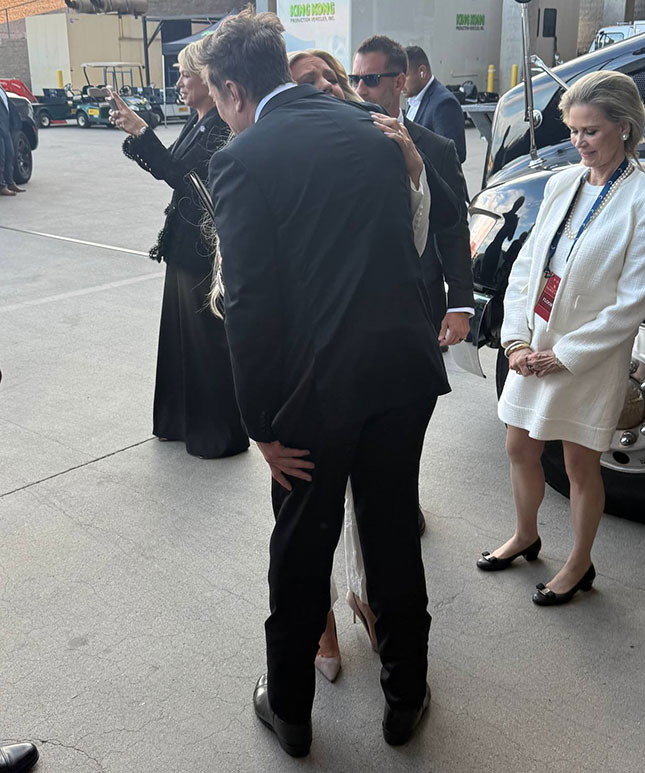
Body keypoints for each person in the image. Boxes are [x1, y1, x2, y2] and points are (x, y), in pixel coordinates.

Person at [201, 8, 450, 755]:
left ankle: (292, 711)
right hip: (401, 377)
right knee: (393, 535)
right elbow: (406, 244)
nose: (218, 113)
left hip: (314, 396)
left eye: (215, 99)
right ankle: (405, 696)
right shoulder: (371, 127)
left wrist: (261, 426)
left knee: (302, 552)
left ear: (234, 90)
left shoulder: (244, 158)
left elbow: (250, 305)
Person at [478, 71, 645, 605]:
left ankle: (579, 563)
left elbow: (630, 305)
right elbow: (526, 269)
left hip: (586, 357)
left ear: (625, 128)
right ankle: (525, 535)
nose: (578, 142)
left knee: (578, 463)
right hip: (535, 343)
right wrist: (516, 340)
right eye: (572, 130)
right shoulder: (563, 183)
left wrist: (561, 357)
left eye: (590, 130)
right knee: (518, 445)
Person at [287, 47, 436, 684]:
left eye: (330, 77)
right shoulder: (277, 154)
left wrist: (411, 168)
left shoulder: (391, 145)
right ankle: (322, 639)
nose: (322, 87)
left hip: (387, 370)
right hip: (312, 380)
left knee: (387, 524)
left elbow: (423, 239)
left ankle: (398, 660)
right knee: (308, 525)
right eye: (305, 81)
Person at [108, 40, 248, 459]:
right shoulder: (199, 120)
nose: (180, 82)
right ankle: (180, 421)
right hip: (184, 245)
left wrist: (140, 132)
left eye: (186, 74)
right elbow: (173, 169)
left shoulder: (221, 126)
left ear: (208, 79)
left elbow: (183, 177)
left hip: (203, 249)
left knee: (206, 344)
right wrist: (142, 136)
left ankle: (217, 433)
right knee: (180, 341)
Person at [352, 36, 474, 347]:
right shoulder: (340, 146)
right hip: (357, 303)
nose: (360, 90)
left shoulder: (437, 148)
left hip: (420, 299)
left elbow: (454, 226)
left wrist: (459, 303)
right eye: (355, 79)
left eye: (371, 80)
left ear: (399, 82)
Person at [404, 45, 466, 164]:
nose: (400, 83)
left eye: (405, 76)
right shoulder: (413, 99)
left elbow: (454, 155)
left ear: (422, 72)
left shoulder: (444, 104)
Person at [0, 84, 25, 197]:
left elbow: (8, 105)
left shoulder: (1, 88)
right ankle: (1, 186)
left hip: (6, 128)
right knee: (1, 157)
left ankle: (10, 183)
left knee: (10, 154)